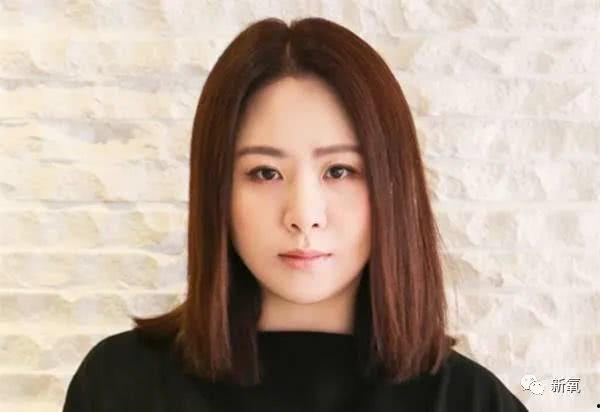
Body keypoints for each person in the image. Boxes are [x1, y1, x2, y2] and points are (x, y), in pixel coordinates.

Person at [62, 16, 528, 412]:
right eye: (265, 173)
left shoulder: (470, 401)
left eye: (340, 171)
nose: (304, 215)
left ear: (394, 187)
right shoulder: (118, 386)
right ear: (217, 191)